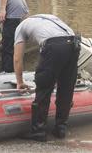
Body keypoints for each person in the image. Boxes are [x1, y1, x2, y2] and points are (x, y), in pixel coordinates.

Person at [13, 14, 80, 142]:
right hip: (74, 43)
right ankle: (60, 128)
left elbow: (17, 59)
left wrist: (20, 81)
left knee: (43, 85)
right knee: (66, 88)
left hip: (54, 45)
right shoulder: (47, 17)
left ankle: (38, 131)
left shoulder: (20, 27)